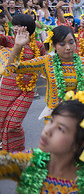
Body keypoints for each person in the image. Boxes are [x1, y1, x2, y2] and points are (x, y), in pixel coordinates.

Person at [0, 90, 84, 193]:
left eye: (60, 128)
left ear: (81, 143)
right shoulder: (30, 161)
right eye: (52, 121)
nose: (47, 130)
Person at [2, 25, 84, 123]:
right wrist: (18, 46)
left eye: (71, 42)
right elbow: (12, 68)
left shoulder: (83, 62)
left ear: (76, 43)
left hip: (78, 114)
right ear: (54, 46)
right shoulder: (47, 61)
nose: (68, 47)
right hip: (54, 116)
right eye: (62, 44)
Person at [0, 14, 46, 152]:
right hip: (7, 87)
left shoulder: (38, 46)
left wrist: (47, 75)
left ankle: (17, 153)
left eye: (19, 25)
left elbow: (45, 63)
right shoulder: (9, 41)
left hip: (27, 89)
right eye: (14, 25)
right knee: (3, 122)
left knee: (13, 124)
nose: (15, 28)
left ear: (28, 28)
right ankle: (7, 156)